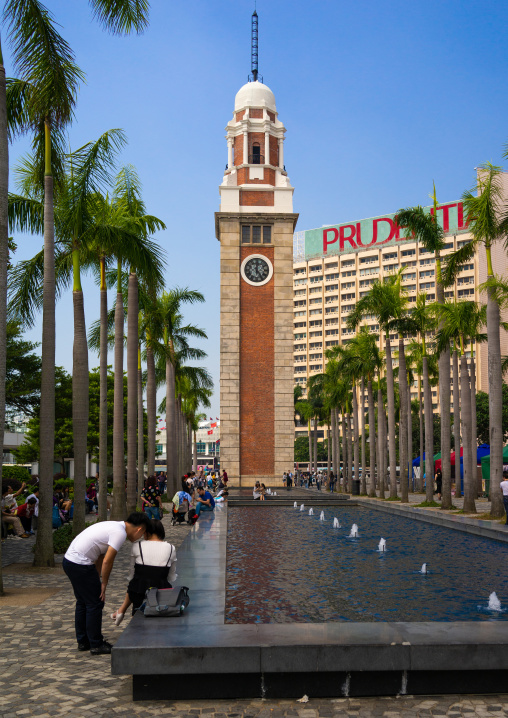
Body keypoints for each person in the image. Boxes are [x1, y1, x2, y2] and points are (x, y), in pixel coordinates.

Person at [62, 512, 151, 655]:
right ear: (140, 529)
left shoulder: (114, 526)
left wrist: (97, 578)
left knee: (83, 602)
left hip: (70, 561)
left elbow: (100, 554)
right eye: (143, 533)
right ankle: (96, 644)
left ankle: (83, 641)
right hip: (81, 564)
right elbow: (107, 561)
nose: (140, 537)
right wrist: (104, 583)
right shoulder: (120, 533)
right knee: (94, 603)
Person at [111, 519, 177, 625]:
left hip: (139, 591)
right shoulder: (171, 548)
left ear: (147, 533)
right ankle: (121, 611)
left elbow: (132, 573)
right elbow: (171, 576)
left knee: (136, 581)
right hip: (162, 590)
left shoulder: (138, 546)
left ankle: (123, 612)